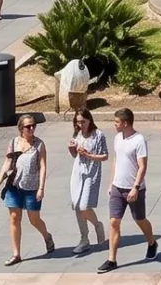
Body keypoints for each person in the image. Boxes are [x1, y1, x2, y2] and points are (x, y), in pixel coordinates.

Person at [101, 108, 158, 272]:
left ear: (125, 123)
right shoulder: (118, 138)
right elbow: (116, 160)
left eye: (117, 122)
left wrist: (135, 188)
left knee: (140, 219)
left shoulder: (139, 140)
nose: (114, 124)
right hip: (117, 188)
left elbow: (142, 167)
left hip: (134, 190)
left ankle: (152, 242)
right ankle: (112, 259)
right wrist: (111, 182)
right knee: (113, 222)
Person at [0, 113, 57, 265]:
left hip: (32, 187)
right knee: (15, 218)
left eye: (33, 126)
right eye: (28, 126)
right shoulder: (14, 142)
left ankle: (47, 236)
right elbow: (7, 163)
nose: (31, 129)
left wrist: (41, 188)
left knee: (34, 219)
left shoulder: (39, 144)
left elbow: (43, 167)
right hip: (14, 186)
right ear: (21, 128)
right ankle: (16, 254)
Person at [68, 107, 108, 254]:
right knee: (77, 205)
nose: (80, 125)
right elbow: (75, 156)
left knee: (84, 206)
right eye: (78, 122)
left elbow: (104, 156)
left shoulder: (98, 135)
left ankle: (97, 225)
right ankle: (84, 238)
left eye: (83, 122)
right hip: (78, 172)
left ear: (89, 120)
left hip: (92, 173)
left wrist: (89, 155)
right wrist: (72, 148)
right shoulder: (78, 133)